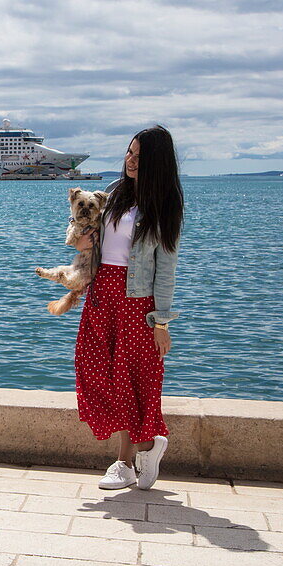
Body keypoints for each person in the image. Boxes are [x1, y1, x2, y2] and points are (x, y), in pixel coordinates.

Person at [73, 126, 183, 490]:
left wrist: (161, 322)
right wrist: (85, 241)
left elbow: (166, 268)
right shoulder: (115, 194)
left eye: (139, 156)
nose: (130, 160)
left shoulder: (164, 205)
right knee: (92, 366)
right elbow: (95, 240)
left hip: (138, 301)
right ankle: (148, 445)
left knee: (131, 379)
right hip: (102, 291)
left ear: (157, 163)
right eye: (129, 152)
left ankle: (126, 461)